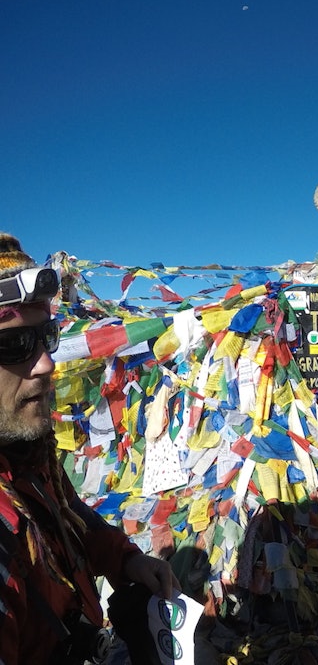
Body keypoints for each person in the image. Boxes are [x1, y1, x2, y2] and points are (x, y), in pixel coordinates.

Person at [0, 233, 179, 664]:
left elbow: (70, 518)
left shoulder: (29, 454)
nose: (46, 363)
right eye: (15, 344)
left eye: (47, 337)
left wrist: (126, 561)